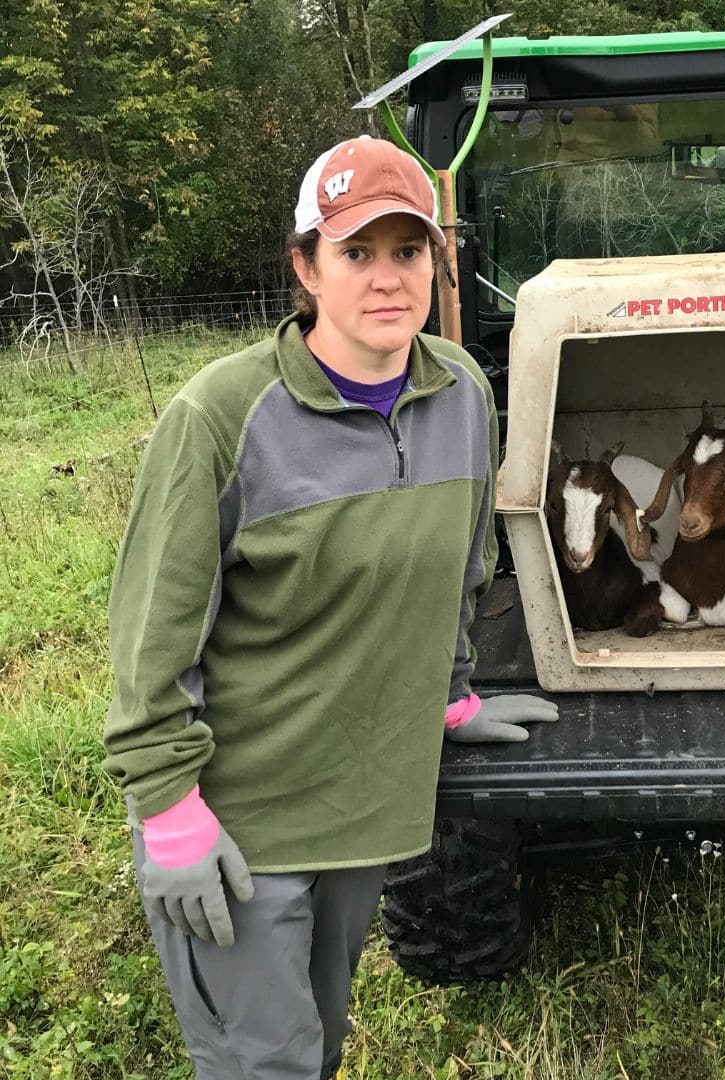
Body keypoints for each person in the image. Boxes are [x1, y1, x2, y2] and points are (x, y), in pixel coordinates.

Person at [103, 135, 558, 1079]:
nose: (388, 279)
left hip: (365, 807)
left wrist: (451, 693)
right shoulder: (221, 418)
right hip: (243, 818)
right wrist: (168, 809)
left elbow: (460, 573)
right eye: (357, 253)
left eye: (409, 251)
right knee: (264, 1062)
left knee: (322, 1037)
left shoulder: (462, 393)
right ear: (306, 266)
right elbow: (153, 634)